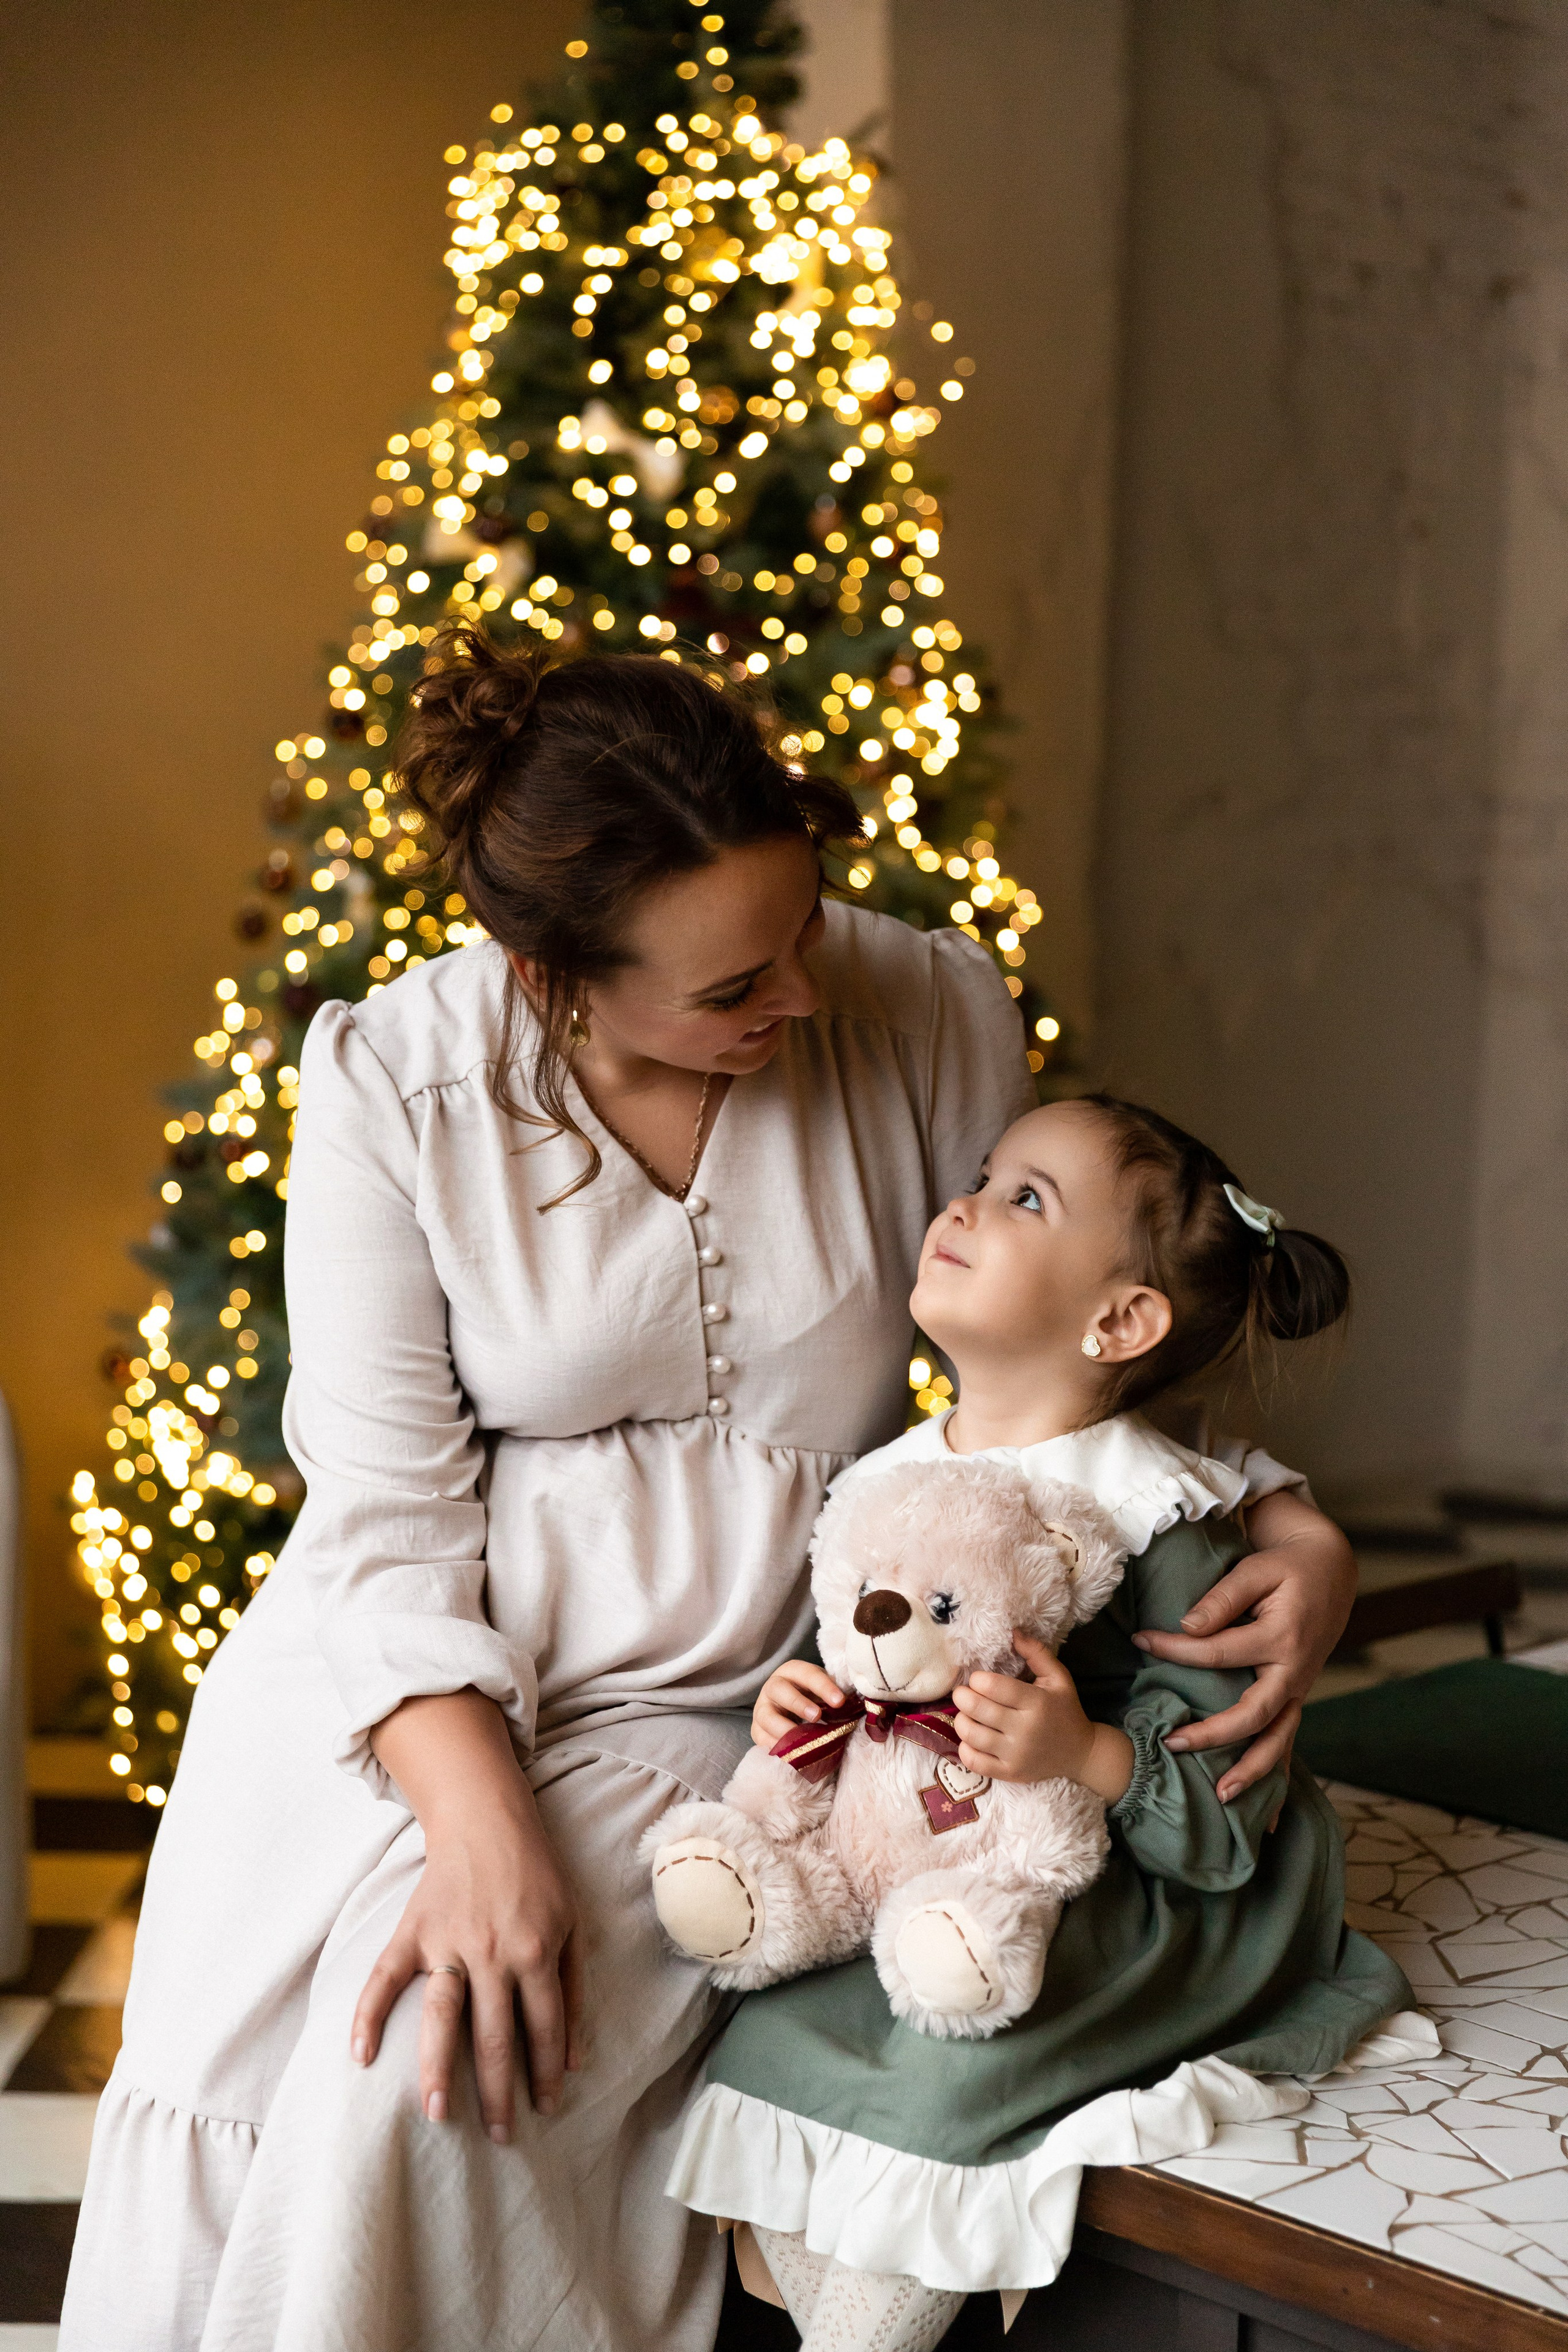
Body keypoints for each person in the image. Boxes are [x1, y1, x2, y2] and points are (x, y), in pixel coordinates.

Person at [62, 629, 1360, 2352]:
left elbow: (1059, 1345)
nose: (800, 999)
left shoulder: (922, 1007)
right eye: (734, 987)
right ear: (551, 976)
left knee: (419, 2082)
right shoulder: (395, 1080)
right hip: (409, 1676)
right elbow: (382, 1503)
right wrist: (474, 1825)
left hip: (744, 1693)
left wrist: (1290, 1520)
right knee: (260, 2065)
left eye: (802, 933)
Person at [669, 1096, 1430, 2352]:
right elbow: (869, 1676)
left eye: (1026, 1197)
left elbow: (1225, 1821)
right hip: (931, 1873)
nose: (963, 1203)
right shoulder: (890, 1478)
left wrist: (1079, 1753)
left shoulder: (1158, 1523)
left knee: (956, 2066)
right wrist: (798, 1711)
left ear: (1120, 1319)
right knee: (771, 2026)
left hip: (1136, 1885)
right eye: (981, 1176)